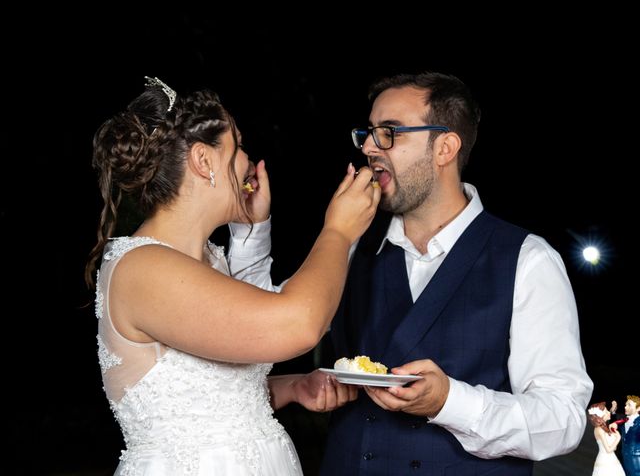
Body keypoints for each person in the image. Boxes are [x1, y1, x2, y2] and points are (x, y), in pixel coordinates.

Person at [85, 76, 379, 475]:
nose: (246, 160)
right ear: (204, 161)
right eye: (237, 145)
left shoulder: (208, 259)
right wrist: (339, 232)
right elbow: (297, 324)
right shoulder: (143, 268)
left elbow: (214, 396)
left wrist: (293, 387)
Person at [317, 71, 594, 475]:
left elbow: (563, 420)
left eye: (390, 133)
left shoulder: (528, 259)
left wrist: (450, 402)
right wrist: (252, 232)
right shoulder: (351, 245)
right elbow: (266, 330)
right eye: (368, 133)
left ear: (445, 147)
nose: (370, 148)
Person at [588, 402, 625, 476]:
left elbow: (614, 448)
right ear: (600, 415)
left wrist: (614, 435)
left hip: (612, 459)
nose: (609, 412)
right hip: (605, 461)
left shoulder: (605, 428)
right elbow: (608, 450)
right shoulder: (599, 429)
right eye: (606, 411)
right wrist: (618, 437)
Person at [611, 395, 640, 475]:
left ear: (638, 408)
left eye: (629, 405)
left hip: (637, 463)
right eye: (626, 405)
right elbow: (613, 424)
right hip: (624, 460)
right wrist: (613, 412)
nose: (625, 407)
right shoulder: (624, 421)